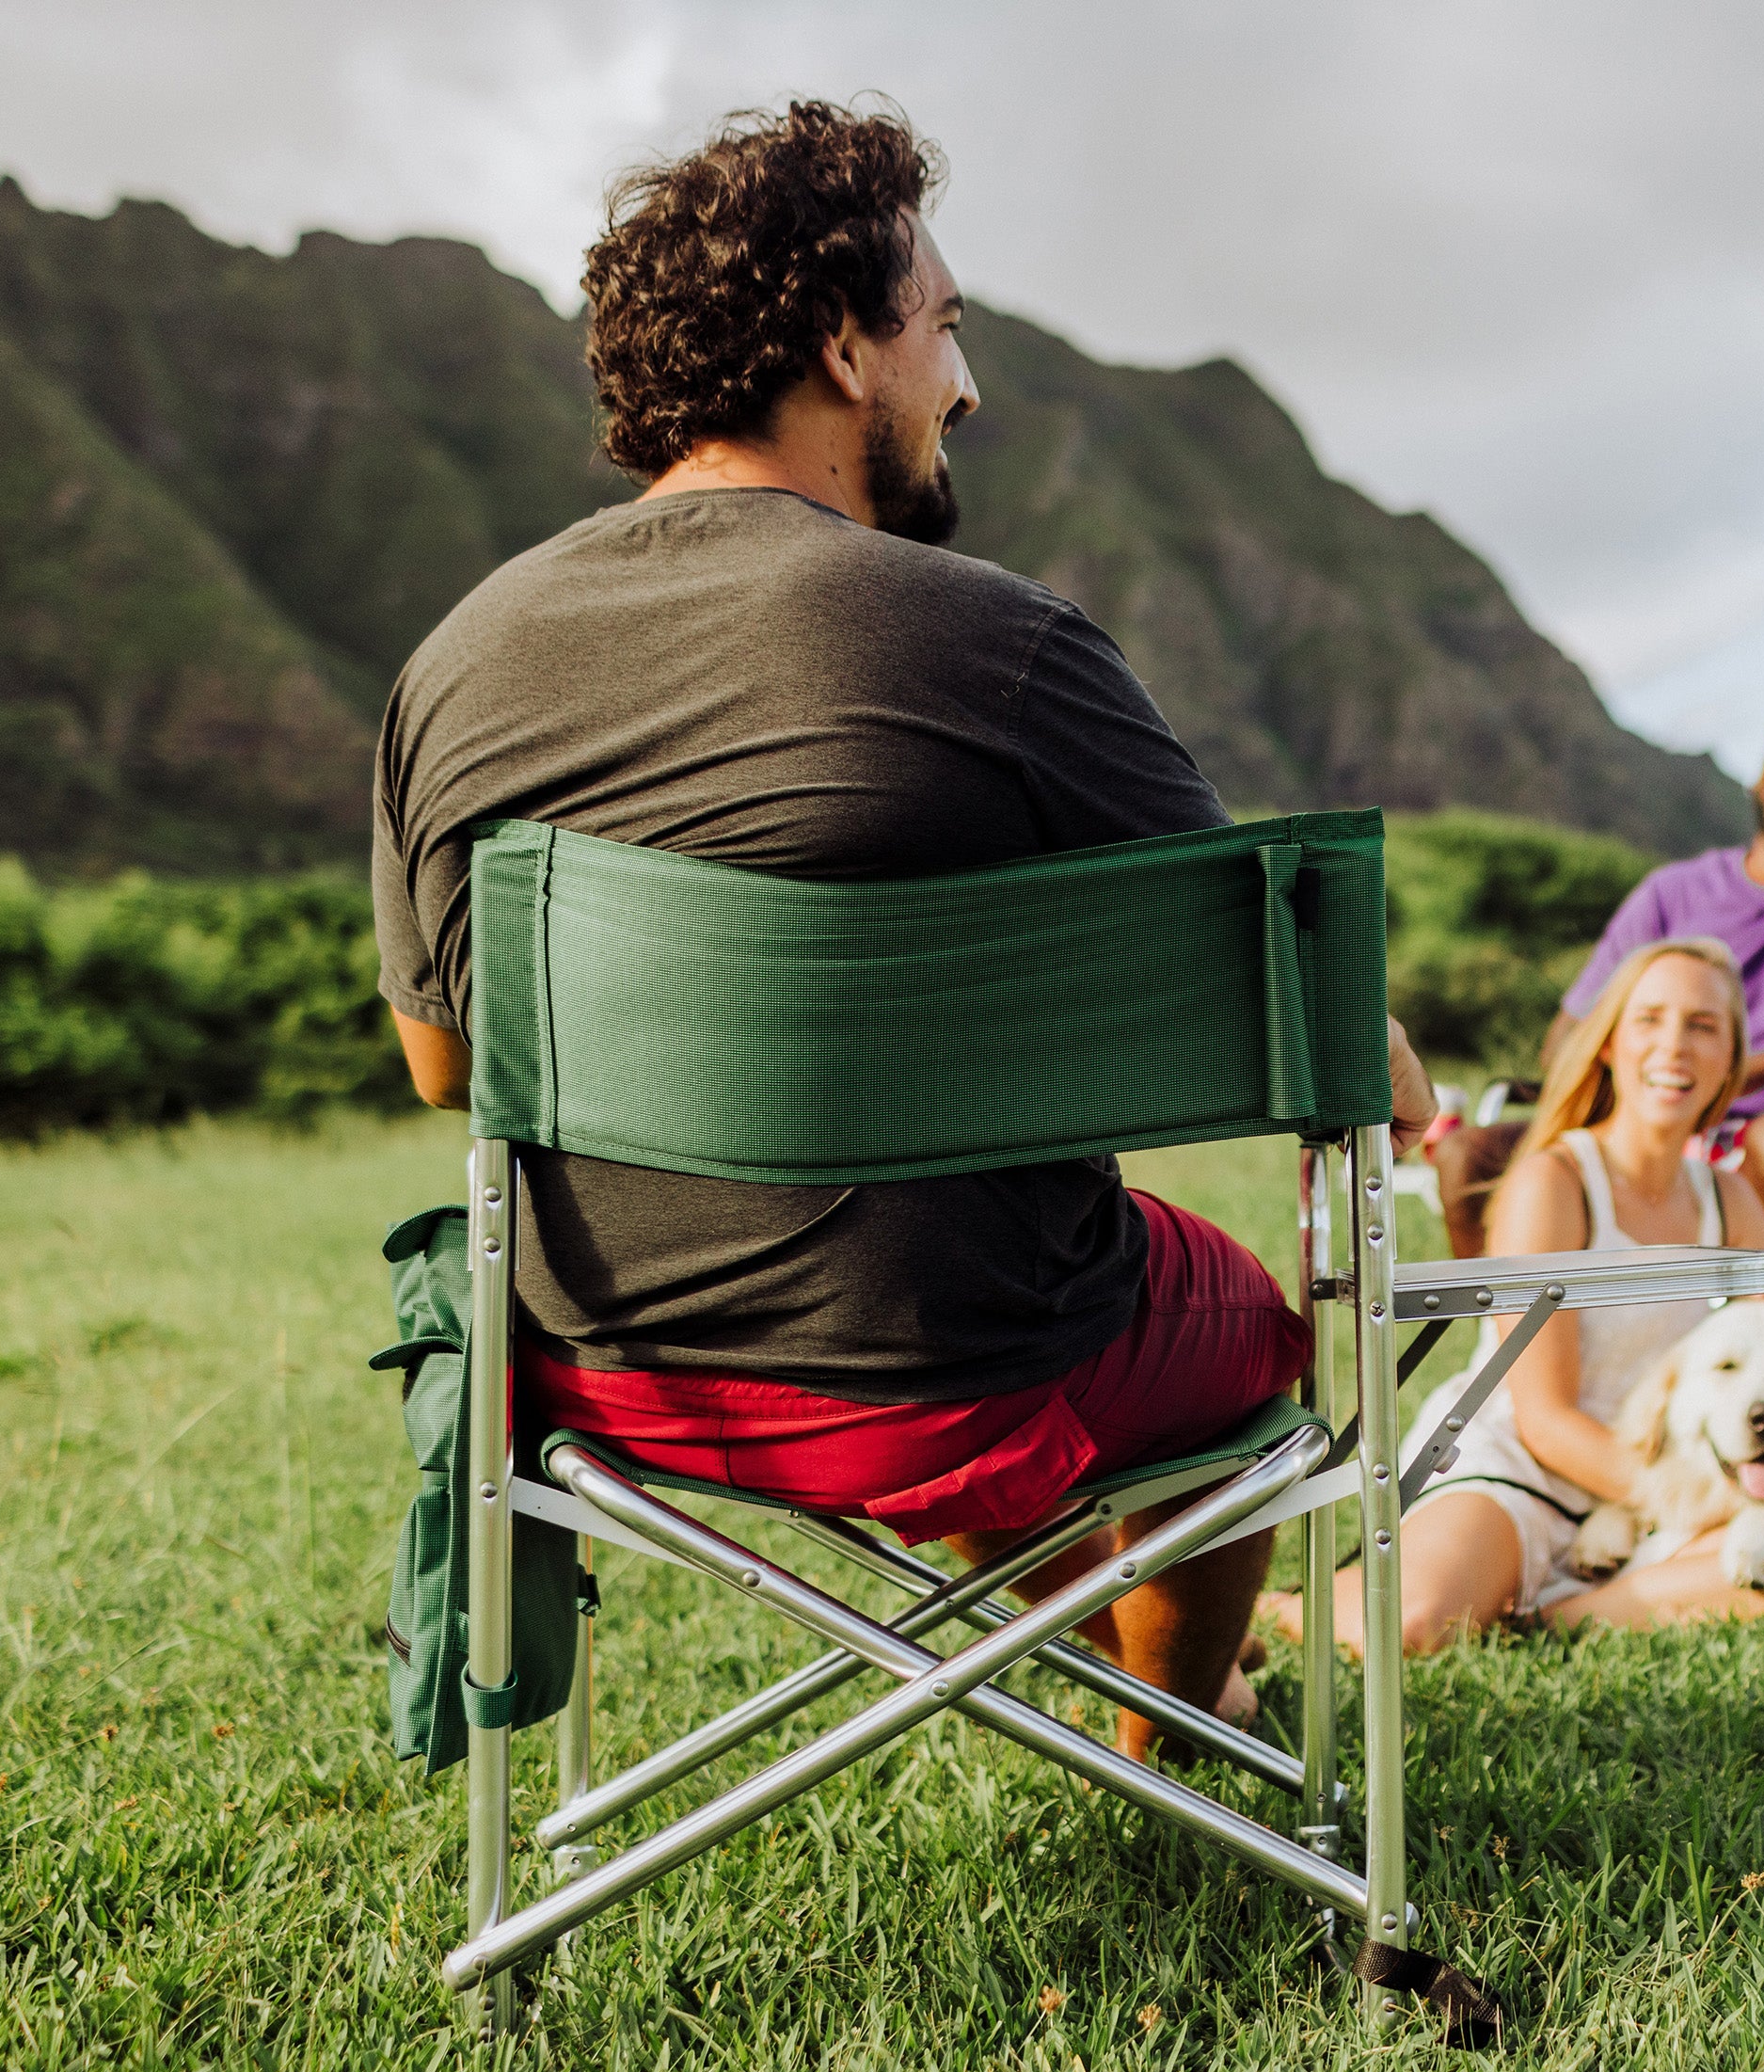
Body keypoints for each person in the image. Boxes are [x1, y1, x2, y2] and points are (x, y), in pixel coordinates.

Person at [368, 100, 1433, 1762]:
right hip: (947, 1372)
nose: (968, 384)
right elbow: (1291, 1006)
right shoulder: (997, 641)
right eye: (943, 327)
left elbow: (446, 1065)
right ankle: (1178, 1725)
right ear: (843, 346)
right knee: (1227, 1328)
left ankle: (1140, 1684)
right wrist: (1405, 1073)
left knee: (995, 1291)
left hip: (602, 1370)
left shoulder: (454, 661)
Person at [1265, 937, 1764, 1660]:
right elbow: (1544, 1420)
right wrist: (1688, 1501)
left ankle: (1560, 1615)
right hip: (1526, 1467)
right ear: (1608, 1042)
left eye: (1703, 1025)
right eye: (1650, 1019)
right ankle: (1279, 1609)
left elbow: (1760, 1374)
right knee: (1415, 1624)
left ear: (1731, 1055)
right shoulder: (1554, 1181)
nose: (1675, 1044)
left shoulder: (1730, 1198)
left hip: (1654, 1484)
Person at [1429, 692, 1764, 1282]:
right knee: (1469, 1153)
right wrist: (1646, 1088)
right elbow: (1566, 1041)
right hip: (1647, 1119)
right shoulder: (1672, 894)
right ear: (1760, 772)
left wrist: (1761, 1068)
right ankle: (1512, 1334)